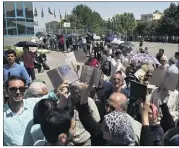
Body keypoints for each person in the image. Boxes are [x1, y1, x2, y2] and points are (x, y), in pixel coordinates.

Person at [3, 76, 59, 146]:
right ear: (6, 92)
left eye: (22, 89)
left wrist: (60, 89)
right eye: (13, 89)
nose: (18, 92)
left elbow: (52, 96)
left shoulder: (32, 103)